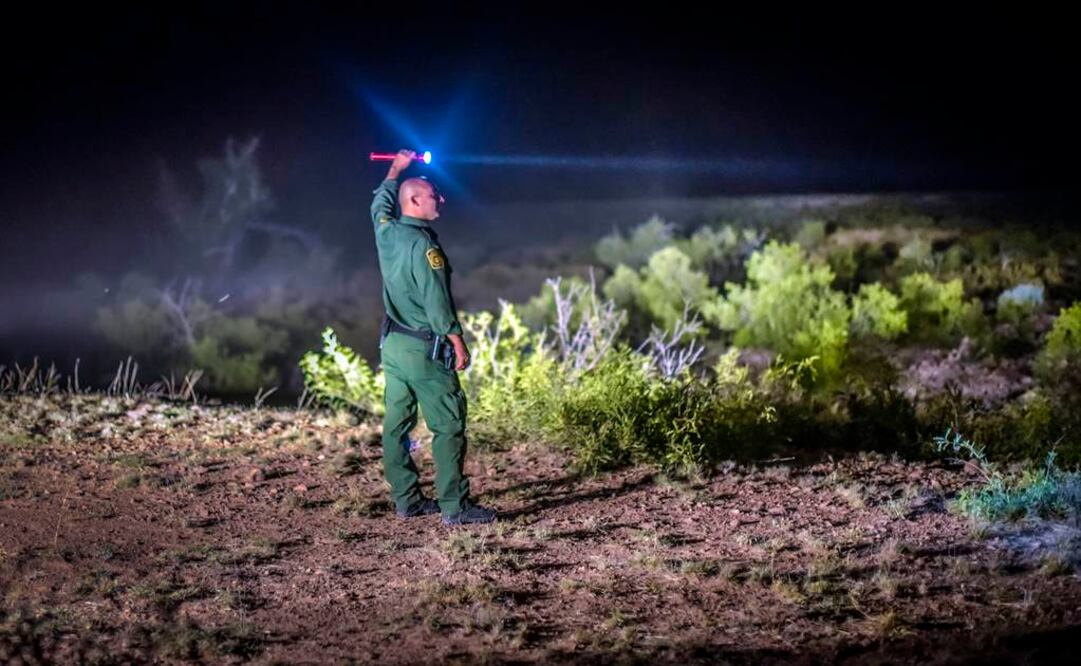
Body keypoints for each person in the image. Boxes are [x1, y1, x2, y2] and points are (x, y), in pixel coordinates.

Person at [370, 149, 497, 525]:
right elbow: (436, 300)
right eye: (433, 194)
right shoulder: (425, 247)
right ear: (413, 201)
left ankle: (407, 500)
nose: (440, 198)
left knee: (396, 424)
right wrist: (455, 338)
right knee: (448, 424)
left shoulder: (387, 232)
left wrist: (394, 170)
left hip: (393, 344)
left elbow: (379, 204)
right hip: (424, 348)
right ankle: (454, 507)